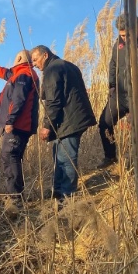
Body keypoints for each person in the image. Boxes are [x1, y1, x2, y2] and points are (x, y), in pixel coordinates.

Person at [31, 45, 96, 199]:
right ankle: (58, 191)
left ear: (45, 55)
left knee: (66, 159)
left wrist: (47, 126)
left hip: (69, 121)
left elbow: (53, 101)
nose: (34, 64)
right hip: (72, 119)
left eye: (35, 59)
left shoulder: (52, 70)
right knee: (58, 157)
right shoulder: (69, 66)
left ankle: (67, 196)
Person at [0, 50, 39, 205]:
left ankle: (15, 198)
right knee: (12, 158)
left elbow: (19, 100)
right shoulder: (19, 73)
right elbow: (5, 73)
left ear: (19, 58)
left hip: (18, 126)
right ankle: (16, 195)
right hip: (19, 125)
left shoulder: (24, 74)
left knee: (9, 157)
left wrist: (10, 121)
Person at [97, 14, 138, 169]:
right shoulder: (119, 44)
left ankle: (136, 165)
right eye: (122, 35)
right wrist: (111, 86)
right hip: (120, 95)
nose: (124, 38)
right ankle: (110, 156)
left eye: (127, 35)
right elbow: (113, 65)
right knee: (104, 122)